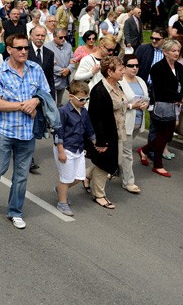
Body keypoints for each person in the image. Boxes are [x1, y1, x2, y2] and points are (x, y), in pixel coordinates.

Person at [0, 33, 49, 230]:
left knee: (21, 175)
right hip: (3, 131)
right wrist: (22, 106)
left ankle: (15, 211)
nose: (24, 51)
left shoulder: (36, 69)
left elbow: (45, 93)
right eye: (20, 48)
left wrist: (36, 101)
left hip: (27, 133)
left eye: (26, 47)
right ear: (9, 50)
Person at [86, 56, 127, 210]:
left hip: (118, 132)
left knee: (114, 161)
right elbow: (96, 119)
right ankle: (99, 195)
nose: (124, 71)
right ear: (110, 72)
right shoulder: (99, 91)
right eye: (120, 69)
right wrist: (101, 142)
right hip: (107, 135)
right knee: (105, 165)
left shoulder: (118, 86)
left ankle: (87, 175)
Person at [141, 39, 183, 177]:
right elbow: (161, 90)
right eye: (173, 51)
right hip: (161, 106)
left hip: (175, 106)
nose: (176, 53)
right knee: (162, 135)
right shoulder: (157, 68)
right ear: (165, 52)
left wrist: (182, 95)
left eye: (178, 51)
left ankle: (144, 150)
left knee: (168, 135)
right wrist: (179, 97)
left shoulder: (179, 67)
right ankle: (157, 164)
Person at [53, 81, 96, 216]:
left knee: (79, 177)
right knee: (66, 179)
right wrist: (61, 151)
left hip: (78, 149)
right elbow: (58, 133)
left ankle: (61, 189)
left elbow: (89, 129)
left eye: (86, 99)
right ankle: (62, 203)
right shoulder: (63, 112)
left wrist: (96, 142)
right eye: (81, 99)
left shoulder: (84, 112)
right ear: (71, 96)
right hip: (66, 148)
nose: (84, 102)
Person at [118, 53, 148, 194]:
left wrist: (144, 105)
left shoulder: (141, 81)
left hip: (138, 123)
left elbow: (146, 99)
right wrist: (131, 106)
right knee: (127, 153)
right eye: (131, 65)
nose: (134, 68)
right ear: (123, 67)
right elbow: (115, 104)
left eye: (136, 65)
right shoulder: (120, 82)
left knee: (121, 151)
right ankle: (128, 182)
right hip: (124, 124)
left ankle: (105, 171)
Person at [45, 28, 76, 106]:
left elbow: (73, 61)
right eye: (60, 37)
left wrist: (68, 69)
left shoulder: (68, 46)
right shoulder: (47, 47)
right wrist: (62, 71)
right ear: (54, 36)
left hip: (64, 80)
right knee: (51, 103)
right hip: (53, 80)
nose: (63, 39)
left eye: (65, 37)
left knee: (59, 102)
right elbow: (48, 65)